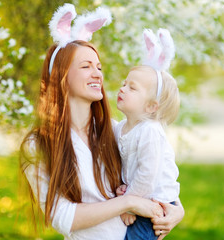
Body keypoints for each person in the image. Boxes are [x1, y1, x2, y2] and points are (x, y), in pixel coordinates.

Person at [20, 4, 184, 240]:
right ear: (61, 77)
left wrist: (177, 209)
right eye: (86, 67)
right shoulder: (38, 144)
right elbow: (62, 217)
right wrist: (128, 203)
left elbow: (153, 171)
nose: (98, 74)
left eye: (98, 67)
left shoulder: (114, 131)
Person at [114, 28, 181, 240]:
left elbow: (147, 175)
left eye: (132, 88)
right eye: (124, 84)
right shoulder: (122, 126)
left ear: (152, 106)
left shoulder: (150, 132)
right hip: (141, 197)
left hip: (154, 204)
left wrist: (128, 204)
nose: (123, 89)